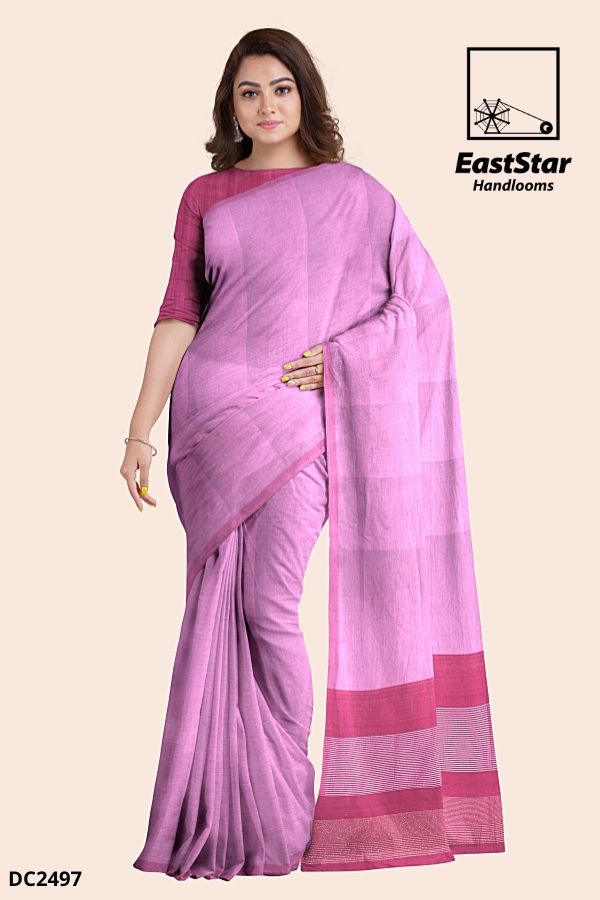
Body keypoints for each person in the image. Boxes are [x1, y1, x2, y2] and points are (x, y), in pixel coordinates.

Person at [125, 27, 505, 882]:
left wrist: (343, 360)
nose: (266, 106)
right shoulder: (205, 194)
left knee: (268, 605)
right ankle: (235, 808)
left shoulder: (357, 194)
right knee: (223, 613)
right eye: (249, 91)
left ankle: (284, 797)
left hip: (304, 423)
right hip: (209, 425)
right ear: (230, 105)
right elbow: (179, 313)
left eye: (281, 88)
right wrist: (139, 429)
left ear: (306, 96)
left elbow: (423, 306)